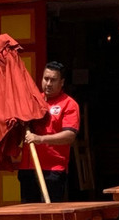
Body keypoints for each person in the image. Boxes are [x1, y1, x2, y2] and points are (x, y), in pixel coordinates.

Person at [20, 62, 80, 202]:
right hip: (29, 167)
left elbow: (69, 136)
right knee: (28, 214)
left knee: (51, 214)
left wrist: (40, 139)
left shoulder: (69, 104)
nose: (48, 83)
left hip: (53, 169)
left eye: (53, 80)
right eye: (45, 79)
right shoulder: (34, 102)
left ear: (62, 82)